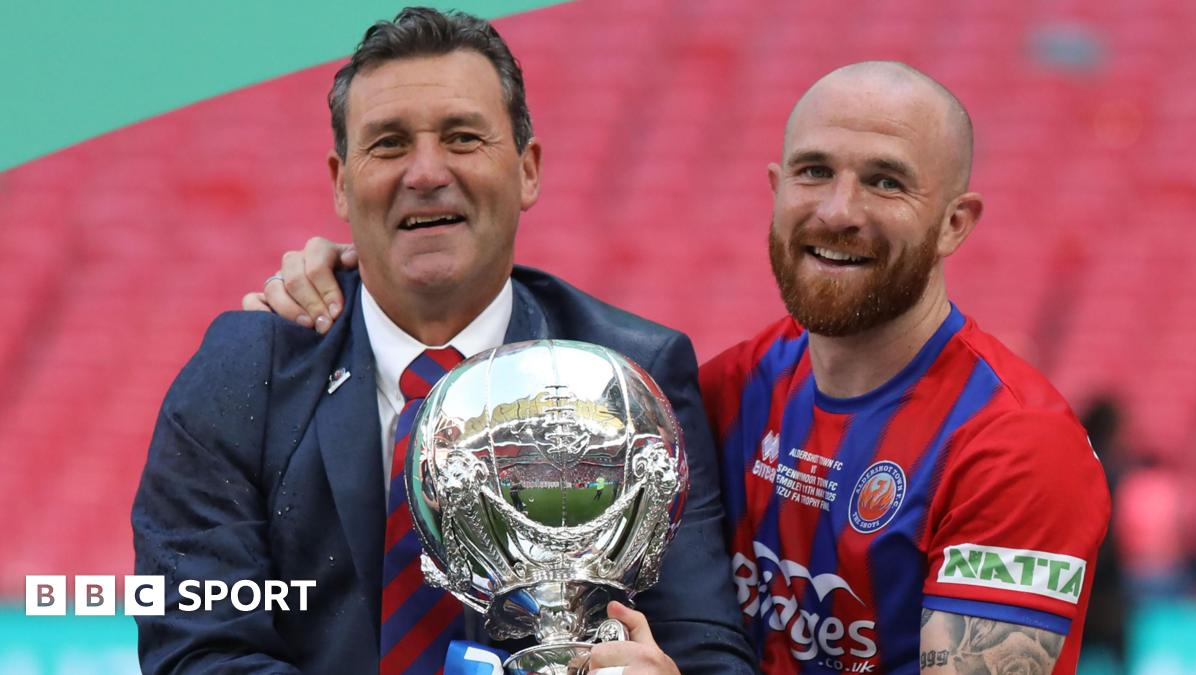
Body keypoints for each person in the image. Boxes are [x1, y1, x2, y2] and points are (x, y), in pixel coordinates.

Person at [258, 61, 1112, 674]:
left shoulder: (1015, 448)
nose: (839, 210)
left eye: (886, 182)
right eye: (814, 172)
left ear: (957, 222)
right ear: (777, 189)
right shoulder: (718, 391)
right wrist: (358, 282)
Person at [133, 8, 754, 674]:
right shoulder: (241, 374)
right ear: (343, 183)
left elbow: (707, 651)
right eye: (390, 144)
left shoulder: (631, 382)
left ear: (528, 170)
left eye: (462, 138)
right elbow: (195, 650)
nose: (425, 172)